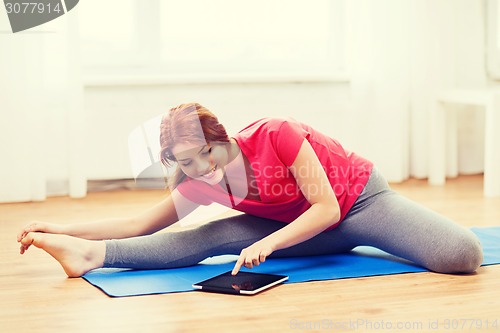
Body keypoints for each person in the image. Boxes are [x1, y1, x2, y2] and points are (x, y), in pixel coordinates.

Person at [17, 103, 483, 278]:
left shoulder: (276, 133)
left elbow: (326, 207)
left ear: (222, 138)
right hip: (296, 227)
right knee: (206, 238)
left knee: (461, 254)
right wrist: (62, 226)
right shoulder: (196, 179)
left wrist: (268, 242)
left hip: (359, 203)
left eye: (207, 154)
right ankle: (90, 257)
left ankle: (391, 233)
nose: (203, 171)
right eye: (186, 163)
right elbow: (140, 223)